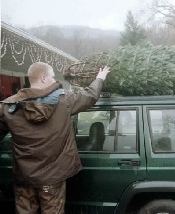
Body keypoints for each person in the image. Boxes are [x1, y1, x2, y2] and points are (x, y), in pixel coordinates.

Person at [0, 62, 110, 214]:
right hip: (52, 179)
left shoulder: (7, 106)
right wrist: (100, 78)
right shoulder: (64, 100)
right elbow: (89, 96)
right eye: (52, 77)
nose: (54, 80)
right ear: (44, 78)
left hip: (24, 177)